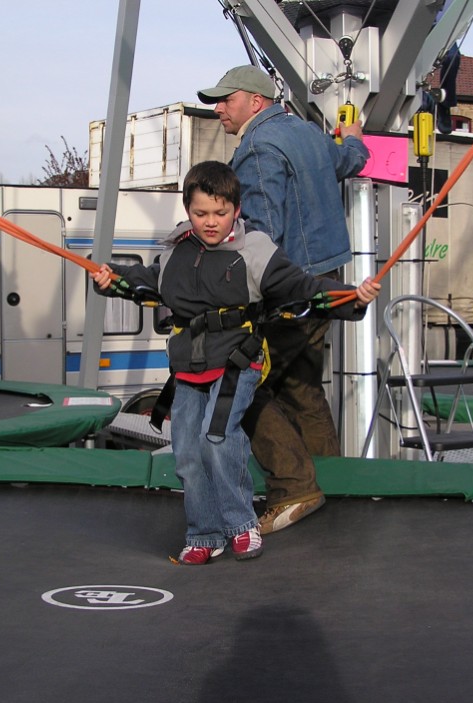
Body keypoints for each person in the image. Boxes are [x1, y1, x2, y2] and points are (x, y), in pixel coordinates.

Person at [91, 161, 380, 565]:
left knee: (218, 437)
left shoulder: (254, 250)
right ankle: (204, 534)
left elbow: (303, 289)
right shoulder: (177, 251)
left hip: (236, 361)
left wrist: (351, 298)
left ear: (237, 209)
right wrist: (111, 279)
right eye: (201, 213)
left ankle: (240, 524)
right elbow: (148, 281)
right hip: (189, 367)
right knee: (187, 452)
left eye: (220, 212)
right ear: (188, 211)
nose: (211, 222)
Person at [197, 65, 371, 535]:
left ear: (255, 101)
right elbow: (351, 161)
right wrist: (354, 136)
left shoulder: (257, 148)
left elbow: (262, 237)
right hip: (325, 283)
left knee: (241, 388)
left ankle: (294, 487)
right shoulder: (309, 133)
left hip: (288, 292)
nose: (218, 109)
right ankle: (336, 483)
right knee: (300, 385)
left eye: (226, 99)